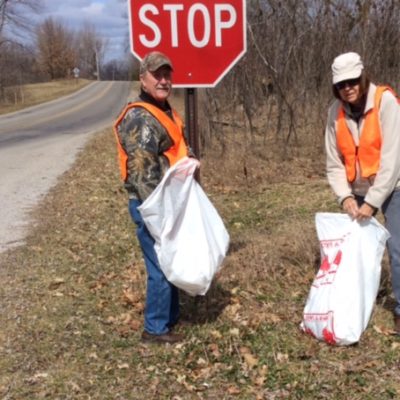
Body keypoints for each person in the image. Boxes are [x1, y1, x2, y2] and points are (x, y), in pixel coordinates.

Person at [113, 51, 191, 344]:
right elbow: (142, 173)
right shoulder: (139, 117)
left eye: (166, 74)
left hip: (168, 198)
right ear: (143, 79)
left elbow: (173, 150)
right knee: (159, 265)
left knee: (167, 260)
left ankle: (169, 319)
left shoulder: (163, 110)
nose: (163, 80)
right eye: (156, 75)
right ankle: (155, 329)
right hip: (152, 203)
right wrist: (156, 214)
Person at [325, 51, 400, 334]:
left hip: (392, 186)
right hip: (356, 189)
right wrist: (345, 197)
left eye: (353, 81)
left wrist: (371, 203)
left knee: (398, 248)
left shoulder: (386, 102)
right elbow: (333, 163)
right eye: (341, 84)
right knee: (352, 250)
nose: (348, 88)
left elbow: (393, 162)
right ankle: (354, 304)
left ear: (362, 77)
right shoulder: (334, 112)